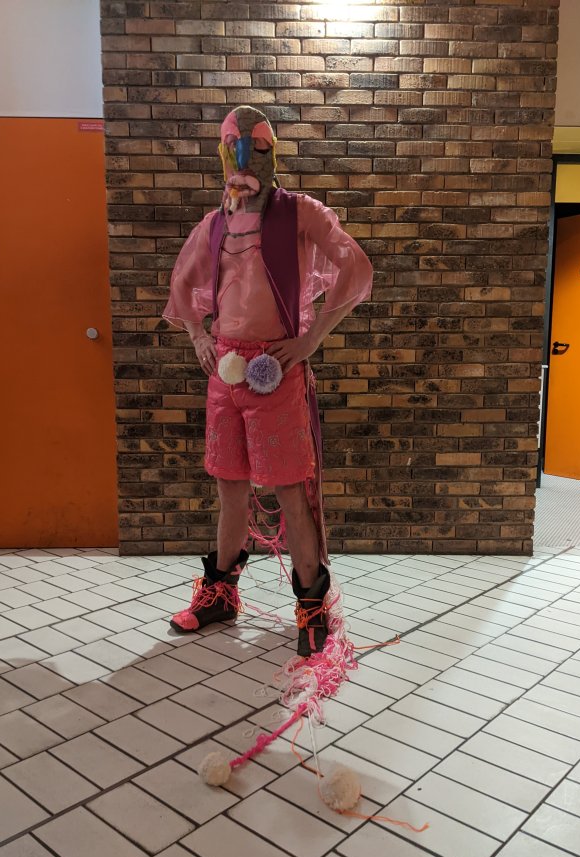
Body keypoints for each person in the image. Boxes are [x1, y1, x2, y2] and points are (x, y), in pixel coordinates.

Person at [163, 105, 373, 657]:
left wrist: (311, 339)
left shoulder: (300, 212)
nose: (243, 159)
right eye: (234, 148)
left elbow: (354, 267)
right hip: (225, 372)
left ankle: (312, 607)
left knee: (289, 490)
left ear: (271, 153)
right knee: (229, 490)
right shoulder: (214, 224)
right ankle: (219, 596)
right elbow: (182, 284)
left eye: (255, 148)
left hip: (277, 371)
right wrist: (199, 337)